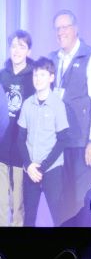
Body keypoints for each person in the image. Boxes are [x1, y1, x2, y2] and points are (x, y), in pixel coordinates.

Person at [50, 10, 91, 226]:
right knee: (60, 201)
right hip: (57, 144)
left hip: (83, 144)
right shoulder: (52, 59)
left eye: (65, 27)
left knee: (81, 200)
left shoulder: (90, 56)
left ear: (76, 29)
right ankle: (63, 250)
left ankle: (83, 253)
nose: (61, 32)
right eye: (58, 28)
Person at [16, 57, 69, 226]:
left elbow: (62, 140)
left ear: (51, 77)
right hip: (30, 169)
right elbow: (20, 139)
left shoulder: (58, 105)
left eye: (42, 75)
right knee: (29, 216)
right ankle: (28, 252)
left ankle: (63, 251)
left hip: (51, 169)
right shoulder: (27, 104)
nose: (38, 79)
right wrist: (29, 165)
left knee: (58, 216)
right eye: (35, 75)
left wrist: (43, 167)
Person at [0, 30, 34, 226]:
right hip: (2, 143)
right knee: (1, 201)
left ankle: (17, 241)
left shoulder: (33, 77)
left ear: (28, 50)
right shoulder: (2, 75)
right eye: (14, 46)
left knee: (18, 202)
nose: (17, 50)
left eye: (22, 46)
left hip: (23, 147)